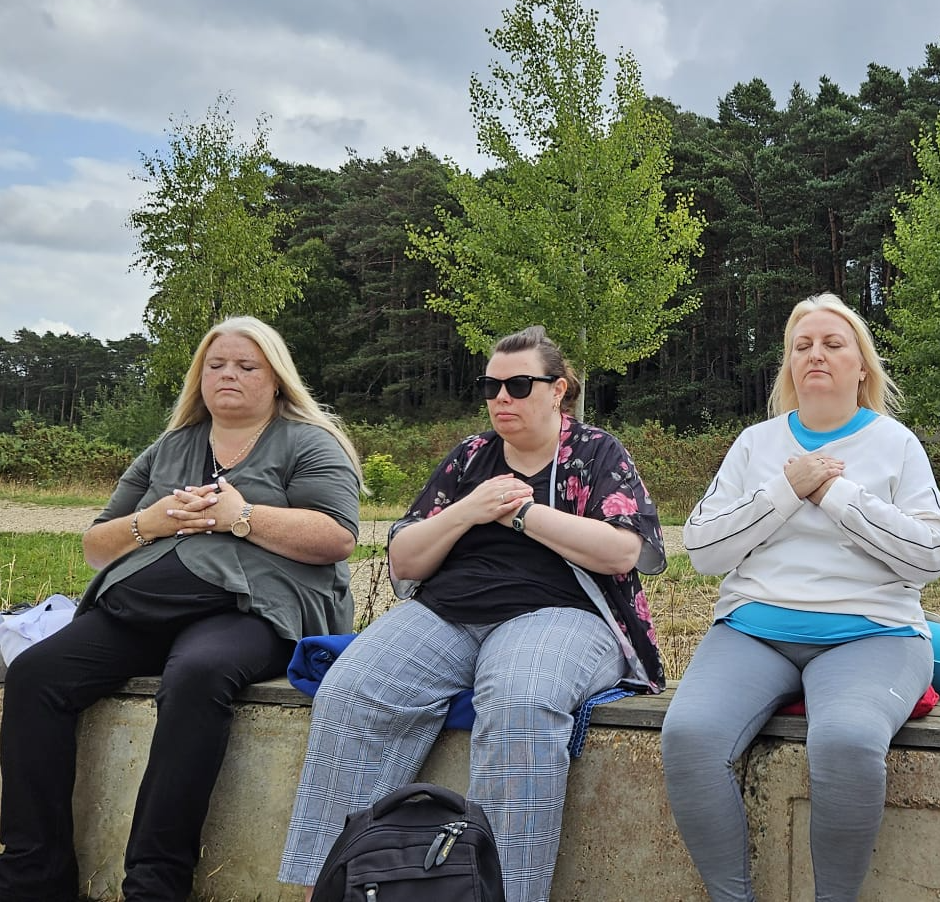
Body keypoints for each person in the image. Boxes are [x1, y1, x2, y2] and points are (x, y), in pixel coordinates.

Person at [0, 317, 362, 902]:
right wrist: (147, 523)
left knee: (197, 674)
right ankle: (33, 870)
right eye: (216, 365)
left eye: (246, 366)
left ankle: (155, 883)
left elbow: (337, 536)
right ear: (198, 377)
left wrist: (241, 516)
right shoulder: (170, 447)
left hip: (253, 612)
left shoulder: (308, 442)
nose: (228, 374)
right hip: (145, 608)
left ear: (277, 379)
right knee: (36, 674)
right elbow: (96, 545)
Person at [279, 325, 665, 902]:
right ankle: (336, 884)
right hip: (450, 610)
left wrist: (519, 514)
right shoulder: (471, 457)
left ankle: (498, 893)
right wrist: (468, 510)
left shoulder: (594, 452)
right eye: (490, 386)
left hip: (564, 610)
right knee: (352, 689)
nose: (501, 398)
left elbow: (623, 551)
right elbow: (406, 559)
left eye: (518, 385)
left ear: (558, 391)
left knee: (518, 697)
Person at [661, 293, 940, 902]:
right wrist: (786, 490)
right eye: (803, 346)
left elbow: (931, 556)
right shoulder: (754, 445)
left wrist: (837, 497)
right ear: (790, 368)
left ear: (861, 367)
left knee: (846, 741)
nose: (816, 354)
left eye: (832, 344)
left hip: (874, 633)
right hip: (752, 631)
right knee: (688, 736)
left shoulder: (896, 445)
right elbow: (703, 550)